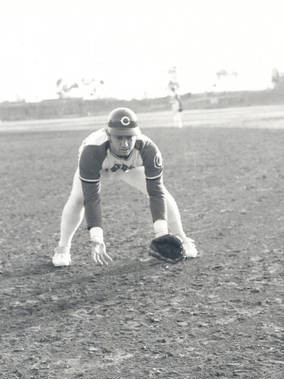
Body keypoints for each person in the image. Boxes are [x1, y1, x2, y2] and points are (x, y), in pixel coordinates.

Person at [52, 107, 197, 267]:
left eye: (129, 137)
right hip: (100, 168)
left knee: (162, 191)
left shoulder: (148, 149)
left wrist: (161, 234)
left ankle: (182, 238)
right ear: (108, 135)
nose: (125, 143)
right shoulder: (92, 151)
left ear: (137, 134)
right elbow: (92, 198)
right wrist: (97, 238)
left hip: (131, 168)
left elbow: (155, 193)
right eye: (119, 138)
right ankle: (63, 247)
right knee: (77, 199)